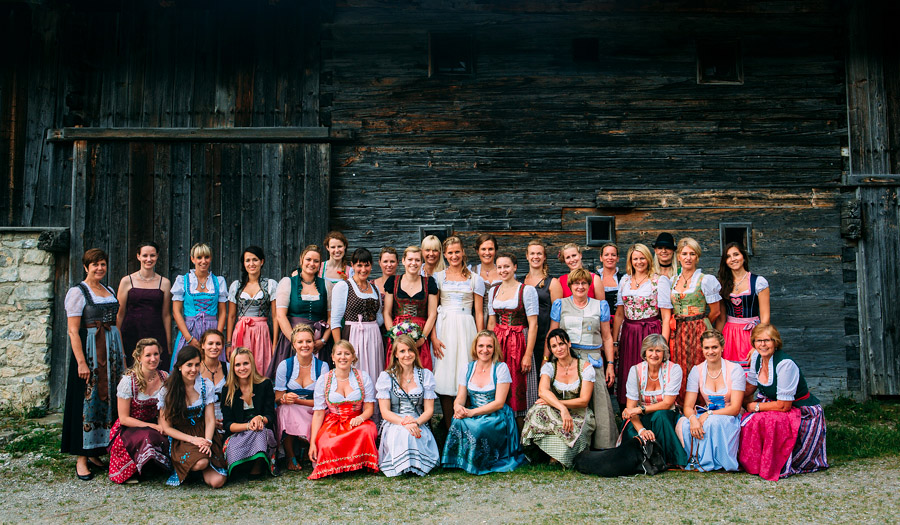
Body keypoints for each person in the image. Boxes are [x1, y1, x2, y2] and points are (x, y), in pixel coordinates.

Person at [62, 248, 127, 481]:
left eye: (102, 264)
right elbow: (72, 330)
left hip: (111, 350)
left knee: (107, 399)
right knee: (86, 401)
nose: (99, 268)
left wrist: (121, 355)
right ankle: (81, 458)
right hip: (90, 351)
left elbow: (115, 323)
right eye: (95, 264)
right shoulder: (78, 292)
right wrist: (81, 362)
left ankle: (96, 452)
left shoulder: (108, 290)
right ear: (86, 267)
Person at [739, 323, 828, 481]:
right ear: (754, 343)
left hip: (802, 410)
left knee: (767, 420)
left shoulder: (785, 364)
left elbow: (784, 405)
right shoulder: (756, 357)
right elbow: (751, 386)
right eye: (759, 341)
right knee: (747, 420)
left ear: (776, 342)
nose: (763, 344)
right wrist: (732, 398)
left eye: (767, 340)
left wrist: (756, 406)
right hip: (776, 404)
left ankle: (774, 464)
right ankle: (755, 464)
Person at [441, 331, 527, 475]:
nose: (485, 350)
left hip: (497, 415)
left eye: (489, 346)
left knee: (478, 427)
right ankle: (459, 460)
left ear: (494, 349)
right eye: (481, 346)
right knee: (457, 421)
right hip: (474, 410)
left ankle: (480, 461)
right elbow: (461, 397)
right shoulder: (467, 368)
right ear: (475, 348)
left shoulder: (501, 368)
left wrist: (472, 412)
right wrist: (457, 408)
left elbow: (499, 403)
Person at [548, 268, 616, 449]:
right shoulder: (560, 304)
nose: (580, 286)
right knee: (569, 397)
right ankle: (567, 445)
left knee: (599, 400)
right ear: (570, 286)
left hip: (592, 358)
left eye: (584, 283)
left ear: (589, 285)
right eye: (576, 283)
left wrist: (610, 364)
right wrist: (547, 359)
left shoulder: (599, 305)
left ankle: (603, 445)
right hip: (566, 357)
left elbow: (607, 337)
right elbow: (552, 333)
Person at [520, 329, 595, 468]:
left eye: (561, 344)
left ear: (569, 344)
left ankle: (556, 455)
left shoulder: (585, 367)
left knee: (568, 445)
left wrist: (561, 404)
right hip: (556, 413)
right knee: (537, 409)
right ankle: (546, 452)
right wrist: (562, 408)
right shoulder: (549, 367)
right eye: (554, 346)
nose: (559, 349)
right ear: (551, 350)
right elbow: (542, 391)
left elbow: (584, 401)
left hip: (579, 413)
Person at [432, 236, 485, 429]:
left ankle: (467, 426)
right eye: (450, 253)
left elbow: (478, 312)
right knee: (445, 375)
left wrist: (480, 338)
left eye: (457, 252)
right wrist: (434, 337)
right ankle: (448, 427)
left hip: (466, 327)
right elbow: (432, 309)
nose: (454, 256)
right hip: (444, 327)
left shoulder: (474, 279)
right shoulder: (438, 278)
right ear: (445, 255)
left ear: (463, 252)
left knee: (466, 371)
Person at [308, 340, 379, 479]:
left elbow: (370, 408)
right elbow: (318, 414)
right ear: (333, 357)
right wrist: (313, 443)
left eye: (347, 353)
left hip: (357, 420)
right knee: (327, 443)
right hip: (333, 422)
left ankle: (357, 463)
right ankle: (339, 465)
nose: (343, 357)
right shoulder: (324, 379)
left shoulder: (363, 377)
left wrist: (360, 418)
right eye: (339, 353)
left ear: (353, 357)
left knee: (368, 430)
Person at [676, 330, 745, 472]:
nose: (711, 351)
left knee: (713, 422)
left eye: (715, 347)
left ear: (722, 347)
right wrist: (693, 419)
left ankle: (716, 461)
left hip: (728, 415)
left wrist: (710, 414)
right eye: (707, 348)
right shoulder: (697, 370)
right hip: (705, 413)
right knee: (683, 423)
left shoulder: (735, 370)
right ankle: (696, 459)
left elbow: (735, 408)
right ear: (702, 349)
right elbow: (688, 406)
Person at [158, 346, 227, 488]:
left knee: (217, 482)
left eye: (197, 364)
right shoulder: (167, 390)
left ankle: (199, 468)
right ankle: (193, 466)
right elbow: (167, 428)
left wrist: (207, 441)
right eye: (189, 365)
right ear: (179, 366)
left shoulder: (205, 385)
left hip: (204, 433)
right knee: (201, 462)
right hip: (183, 437)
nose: (194, 369)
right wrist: (193, 440)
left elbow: (209, 419)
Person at [612, 243, 672, 407]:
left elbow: (666, 316)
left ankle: (651, 407)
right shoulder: (624, 280)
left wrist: (662, 344)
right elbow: (619, 313)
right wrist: (615, 341)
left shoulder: (659, 281)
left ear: (648, 259)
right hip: (629, 333)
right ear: (630, 261)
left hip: (650, 331)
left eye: (642, 258)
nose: (639, 262)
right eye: (635, 259)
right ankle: (628, 411)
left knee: (651, 369)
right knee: (629, 370)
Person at [376, 334, 440, 477]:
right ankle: (406, 465)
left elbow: (429, 410)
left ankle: (414, 464)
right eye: (402, 351)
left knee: (413, 433)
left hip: (418, 420)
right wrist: (404, 422)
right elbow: (385, 412)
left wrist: (416, 422)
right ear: (396, 355)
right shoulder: (386, 377)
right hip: (394, 421)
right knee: (404, 433)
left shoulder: (425, 375)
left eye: (410, 350)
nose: (407, 355)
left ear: (415, 352)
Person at [487, 252, 538, 430]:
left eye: (507, 266)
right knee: (500, 382)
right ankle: (502, 430)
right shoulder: (493, 290)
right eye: (499, 267)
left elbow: (533, 325)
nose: (503, 270)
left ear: (515, 267)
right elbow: (492, 322)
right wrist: (489, 348)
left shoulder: (526, 290)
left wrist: (527, 354)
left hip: (519, 341)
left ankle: (523, 433)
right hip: (499, 341)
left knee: (519, 384)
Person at [108, 338, 170, 484]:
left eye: (156, 354)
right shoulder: (128, 381)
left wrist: (163, 426)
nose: (153, 359)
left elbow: (164, 409)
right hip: (129, 427)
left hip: (154, 422)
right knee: (148, 434)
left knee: (165, 435)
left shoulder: (164, 377)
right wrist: (153, 426)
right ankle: (132, 469)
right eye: (148, 355)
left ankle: (153, 466)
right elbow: (123, 418)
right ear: (138, 357)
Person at [620, 334, 687, 467]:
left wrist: (640, 409)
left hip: (666, 415)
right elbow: (630, 407)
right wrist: (642, 431)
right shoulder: (635, 370)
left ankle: (666, 459)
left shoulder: (674, 369)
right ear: (644, 352)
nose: (654, 354)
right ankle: (643, 462)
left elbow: (667, 403)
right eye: (650, 350)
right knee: (632, 432)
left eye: (658, 351)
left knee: (660, 417)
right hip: (639, 418)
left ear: (664, 353)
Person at [669, 237, 721, 402]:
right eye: (684, 254)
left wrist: (699, 323)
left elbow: (715, 311)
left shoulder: (705, 280)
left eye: (692, 254)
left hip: (698, 329)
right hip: (677, 331)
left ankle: (701, 405)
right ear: (678, 257)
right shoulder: (672, 281)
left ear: (697, 257)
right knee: (679, 367)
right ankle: (682, 407)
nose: (688, 257)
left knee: (698, 366)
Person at [274, 324, 329, 471]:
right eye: (300, 342)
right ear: (293, 345)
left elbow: (323, 402)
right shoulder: (285, 365)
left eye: (308, 341)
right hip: (292, 409)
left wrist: (298, 400)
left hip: (314, 409)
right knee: (285, 409)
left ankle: (307, 446)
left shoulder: (322, 366)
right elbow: (278, 397)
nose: (305, 345)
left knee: (300, 410)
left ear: (313, 343)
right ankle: (290, 456)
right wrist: (284, 398)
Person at [271, 245, 331, 376]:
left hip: (317, 340)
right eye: (308, 259)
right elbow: (281, 316)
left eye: (316, 261)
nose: (312, 263)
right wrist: (296, 341)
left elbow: (331, 317)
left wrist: (323, 341)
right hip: (291, 338)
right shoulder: (287, 282)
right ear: (301, 260)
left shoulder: (326, 285)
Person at [221, 347, 278, 478]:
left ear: (252, 364)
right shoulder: (227, 390)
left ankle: (257, 466)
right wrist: (247, 426)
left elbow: (270, 415)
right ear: (233, 367)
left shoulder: (265, 384)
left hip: (260, 429)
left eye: (245, 363)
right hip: (238, 433)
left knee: (260, 432)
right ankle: (240, 464)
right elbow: (228, 424)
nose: (242, 368)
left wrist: (259, 418)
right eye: (237, 365)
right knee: (242, 441)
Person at [331, 248, 384, 383]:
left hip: (373, 336)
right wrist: (339, 347)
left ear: (371, 265)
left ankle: (373, 403)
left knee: (374, 372)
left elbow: (379, 317)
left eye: (367, 265)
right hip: (353, 334)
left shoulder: (375, 288)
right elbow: (335, 320)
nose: (363, 269)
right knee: (356, 373)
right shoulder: (344, 286)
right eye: (359, 265)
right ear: (353, 265)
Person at [116, 241, 172, 369]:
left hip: (156, 333)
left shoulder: (164, 283)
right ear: (138, 256)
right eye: (145, 255)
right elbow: (120, 314)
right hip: (131, 333)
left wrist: (168, 343)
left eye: (152, 255)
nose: (149, 259)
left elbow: (166, 315)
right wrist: (118, 342)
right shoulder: (127, 281)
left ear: (157, 256)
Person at [171, 242, 227, 369]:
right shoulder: (183, 281)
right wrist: (189, 338)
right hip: (189, 329)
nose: (203, 261)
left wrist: (216, 337)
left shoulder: (218, 281)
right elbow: (176, 311)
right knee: (188, 366)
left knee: (213, 366)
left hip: (212, 329)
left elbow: (223, 312)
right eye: (199, 257)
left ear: (210, 258)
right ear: (193, 259)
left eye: (206, 257)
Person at [383, 246, 438, 371]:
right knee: (398, 369)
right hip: (397, 330)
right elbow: (387, 312)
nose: (413, 263)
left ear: (421, 262)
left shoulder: (429, 283)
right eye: (410, 259)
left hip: (420, 332)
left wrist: (423, 338)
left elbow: (432, 314)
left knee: (420, 367)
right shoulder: (393, 281)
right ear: (403, 261)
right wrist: (394, 335)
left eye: (417, 260)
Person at [716, 243, 770, 369]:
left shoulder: (758, 282)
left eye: (736, 254)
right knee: (730, 372)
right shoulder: (722, 284)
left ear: (743, 257)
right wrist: (715, 340)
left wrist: (758, 344)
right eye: (728, 256)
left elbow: (765, 319)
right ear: (725, 261)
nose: (733, 259)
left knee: (752, 370)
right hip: (729, 334)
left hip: (752, 333)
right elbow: (721, 318)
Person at [227, 246, 278, 376]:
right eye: (247, 260)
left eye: (255, 260)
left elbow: (275, 316)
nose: (251, 264)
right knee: (241, 366)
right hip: (241, 332)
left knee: (260, 365)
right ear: (243, 264)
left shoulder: (270, 285)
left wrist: (274, 343)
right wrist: (228, 344)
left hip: (261, 331)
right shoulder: (237, 286)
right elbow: (231, 316)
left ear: (262, 261)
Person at [523, 239, 563, 407]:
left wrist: (549, 350)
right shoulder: (521, 281)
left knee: (543, 381)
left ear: (544, 257)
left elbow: (557, 318)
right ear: (527, 256)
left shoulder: (552, 283)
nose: (535, 256)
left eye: (539, 253)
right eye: (532, 253)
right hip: (524, 338)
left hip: (544, 339)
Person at [198, 329, 228, 430]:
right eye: (210, 343)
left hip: (225, 419)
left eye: (218, 344)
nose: (214, 347)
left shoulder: (228, 368)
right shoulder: (195, 370)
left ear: (222, 346)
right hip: (201, 420)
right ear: (203, 345)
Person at [319, 231, 354, 309]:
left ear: (345, 246)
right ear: (327, 248)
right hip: (322, 312)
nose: (337, 250)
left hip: (342, 313)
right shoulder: (319, 268)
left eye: (340, 246)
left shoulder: (350, 272)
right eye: (333, 247)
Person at [472, 233, 501, 322]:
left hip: (499, 318)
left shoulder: (503, 271)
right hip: (477, 318)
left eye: (490, 249)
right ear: (477, 251)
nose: (487, 253)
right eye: (483, 249)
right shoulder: (472, 272)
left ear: (495, 251)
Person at [596, 242, 625, 308]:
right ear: (601, 258)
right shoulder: (594, 278)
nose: (610, 257)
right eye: (606, 255)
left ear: (617, 258)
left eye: (613, 255)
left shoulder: (624, 279)